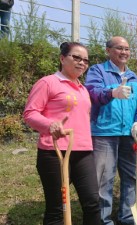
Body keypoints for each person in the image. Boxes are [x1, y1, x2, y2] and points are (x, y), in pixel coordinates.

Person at [23, 42, 101, 225]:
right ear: (62, 58)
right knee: (57, 207)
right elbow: (30, 113)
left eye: (85, 60)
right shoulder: (48, 82)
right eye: (76, 57)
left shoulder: (83, 89)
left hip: (83, 151)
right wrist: (50, 125)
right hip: (54, 152)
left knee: (92, 203)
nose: (82, 63)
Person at [84, 36, 137, 225]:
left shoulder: (134, 77)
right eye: (119, 48)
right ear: (108, 50)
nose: (124, 52)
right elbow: (92, 93)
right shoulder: (98, 71)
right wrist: (112, 92)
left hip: (129, 135)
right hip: (104, 133)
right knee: (104, 179)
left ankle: (128, 218)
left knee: (133, 177)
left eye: (127, 49)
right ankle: (103, 220)